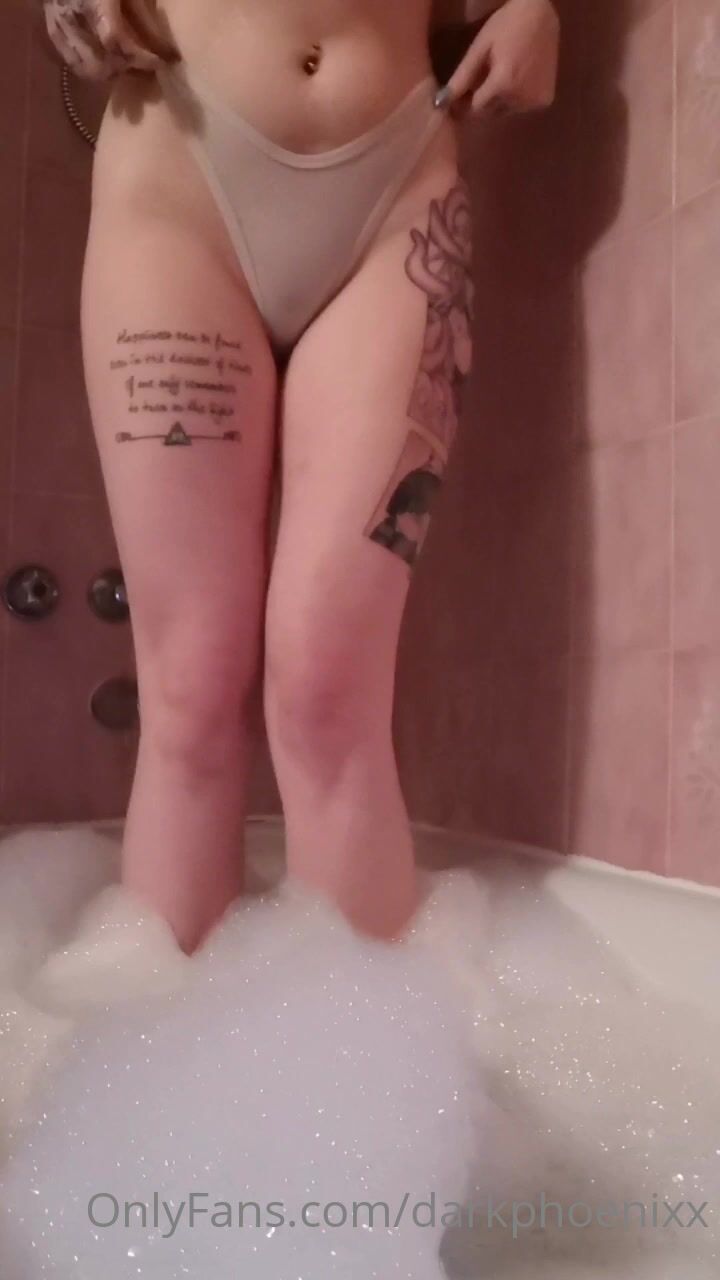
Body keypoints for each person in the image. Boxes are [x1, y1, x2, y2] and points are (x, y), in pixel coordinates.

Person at [42, 0, 560, 953]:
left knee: (330, 687)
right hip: (182, 163)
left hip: (398, 180)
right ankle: (158, 1030)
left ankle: (365, 1039)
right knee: (191, 691)